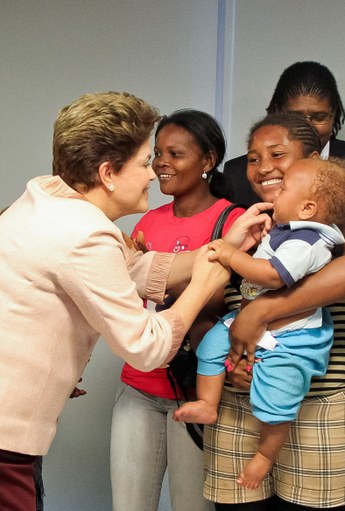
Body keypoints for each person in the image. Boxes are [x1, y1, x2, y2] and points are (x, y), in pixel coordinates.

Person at [0, 92, 233, 510]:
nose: (151, 174)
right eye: (145, 161)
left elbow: (130, 271)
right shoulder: (84, 233)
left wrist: (222, 249)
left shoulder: (47, 197)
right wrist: (203, 284)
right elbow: (146, 348)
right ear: (108, 173)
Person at [203, 113, 345, 510]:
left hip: (319, 408)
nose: (264, 167)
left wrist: (259, 313)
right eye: (252, 158)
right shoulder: (246, 222)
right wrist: (232, 362)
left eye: (278, 154)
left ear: (313, 160)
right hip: (239, 405)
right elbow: (211, 304)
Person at [176, 157, 345, 491]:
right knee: (212, 347)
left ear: (307, 208)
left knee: (277, 401)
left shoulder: (308, 241)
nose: (275, 187)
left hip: (290, 336)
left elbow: (274, 276)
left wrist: (233, 256)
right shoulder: (288, 231)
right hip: (249, 323)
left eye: (285, 186)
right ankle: (208, 404)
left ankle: (264, 456)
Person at [110, 109, 245, 511]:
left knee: (192, 506)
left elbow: (229, 303)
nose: (161, 163)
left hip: (195, 387)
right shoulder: (148, 221)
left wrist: (160, 272)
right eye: (157, 153)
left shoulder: (232, 221)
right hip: (139, 384)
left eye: (175, 153)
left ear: (208, 160)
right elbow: (126, 300)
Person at [224, 61, 345, 213]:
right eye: (295, 116)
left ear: (334, 117)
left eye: (319, 117)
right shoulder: (237, 173)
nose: (308, 126)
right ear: (276, 112)